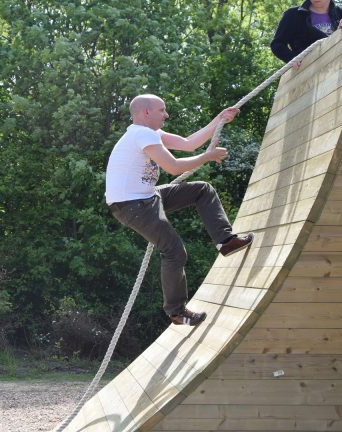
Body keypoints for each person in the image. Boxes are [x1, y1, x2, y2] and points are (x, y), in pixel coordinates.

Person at [105, 94, 254, 327]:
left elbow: (188, 143)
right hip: (133, 205)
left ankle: (226, 242)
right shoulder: (141, 134)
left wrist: (219, 118)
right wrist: (207, 157)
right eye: (161, 110)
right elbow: (173, 167)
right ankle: (176, 312)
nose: (166, 115)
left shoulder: (151, 133)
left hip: (145, 197)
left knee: (202, 190)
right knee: (174, 251)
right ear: (146, 112)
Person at [271, 0, 342, 69]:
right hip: (308, 72)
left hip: (341, 67)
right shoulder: (293, 15)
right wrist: (292, 58)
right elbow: (277, 44)